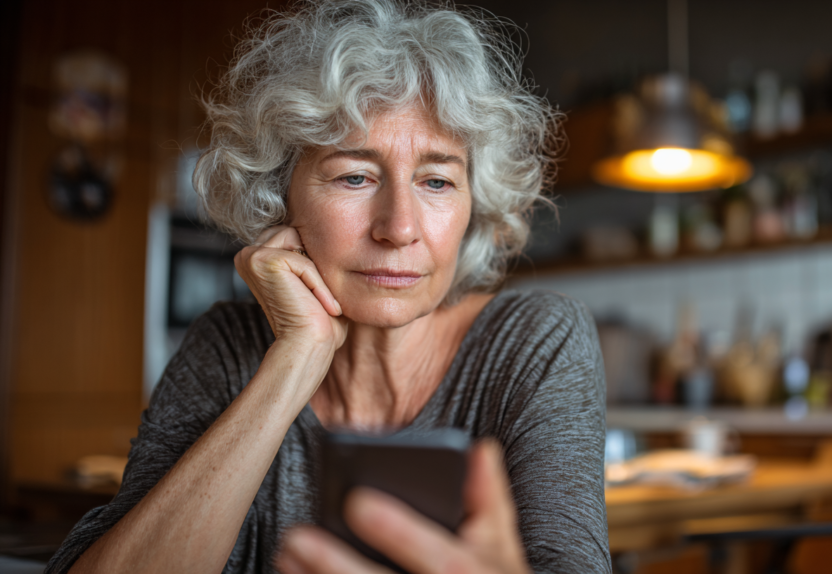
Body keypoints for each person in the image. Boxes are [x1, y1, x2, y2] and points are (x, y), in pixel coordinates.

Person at [46, 1, 610, 573]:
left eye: (437, 180)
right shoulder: (228, 346)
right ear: (279, 197)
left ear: (474, 205)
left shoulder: (535, 340)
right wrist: (297, 358)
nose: (400, 228)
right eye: (354, 177)